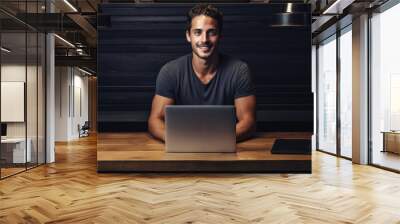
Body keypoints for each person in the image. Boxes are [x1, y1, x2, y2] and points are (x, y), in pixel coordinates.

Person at [148, 4, 256, 142]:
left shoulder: (239, 70)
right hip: (182, 146)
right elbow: (155, 120)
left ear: (220, 35)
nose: (204, 40)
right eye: (197, 32)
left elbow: (248, 122)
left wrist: (211, 141)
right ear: (188, 36)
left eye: (211, 32)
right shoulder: (170, 71)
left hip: (224, 147)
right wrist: (179, 140)